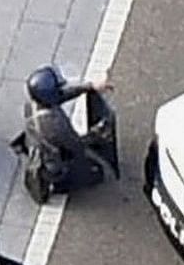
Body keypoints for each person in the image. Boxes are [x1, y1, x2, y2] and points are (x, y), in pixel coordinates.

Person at [14, 65, 123, 197]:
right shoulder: (54, 124)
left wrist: (89, 86)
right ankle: (58, 184)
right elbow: (75, 145)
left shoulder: (33, 104)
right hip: (52, 163)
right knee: (95, 173)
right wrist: (96, 133)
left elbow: (61, 95)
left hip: (40, 148)